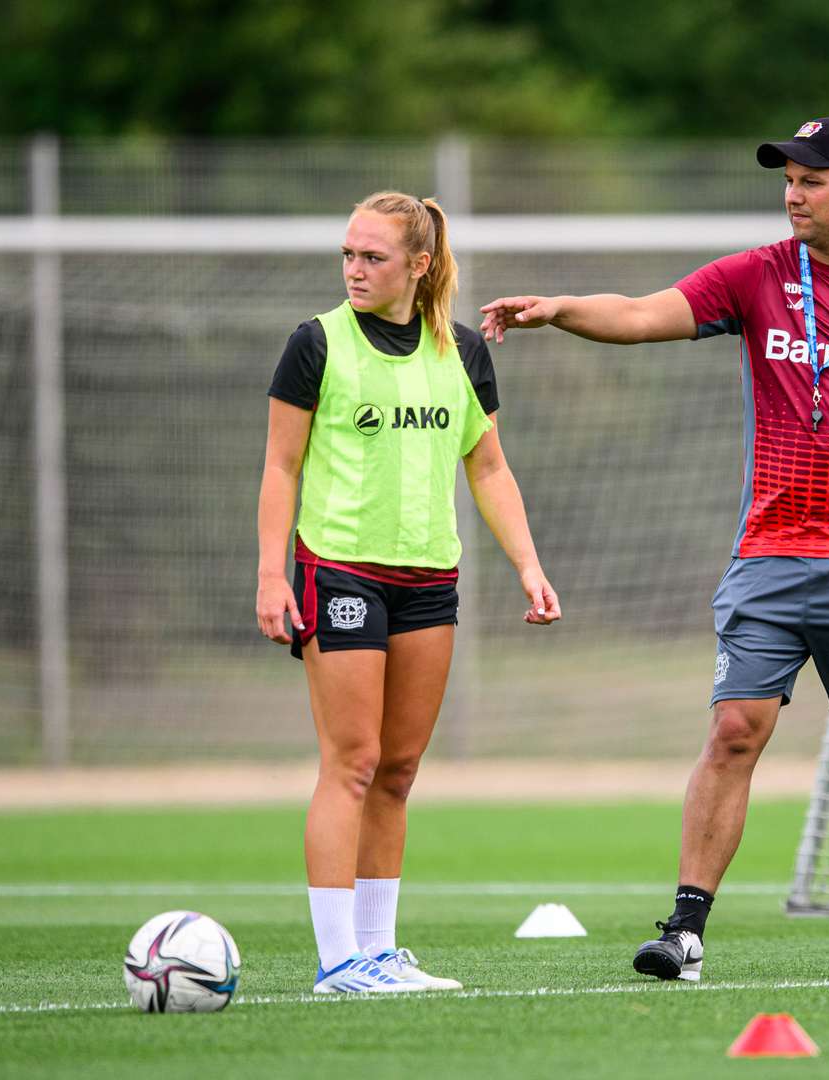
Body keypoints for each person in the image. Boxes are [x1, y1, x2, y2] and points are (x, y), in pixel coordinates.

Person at [480, 117, 829, 981]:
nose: (793, 194)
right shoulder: (756, 276)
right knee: (734, 730)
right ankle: (684, 932)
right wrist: (561, 311)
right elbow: (643, 314)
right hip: (771, 554)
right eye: (787, 180)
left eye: (811, 180)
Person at [256, 191, 562, 993]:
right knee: (351, 763)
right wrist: (270, 573)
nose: (354, 269)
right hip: (341, 571)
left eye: (373, 256)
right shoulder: (315, 343)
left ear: (419, 265)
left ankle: (378, 950)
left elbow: (488, 467)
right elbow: (281, 467)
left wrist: (528, 564)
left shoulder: (462, 351)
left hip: (429, 580)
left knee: (396, 770)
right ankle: (337, 962)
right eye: (348, 254)